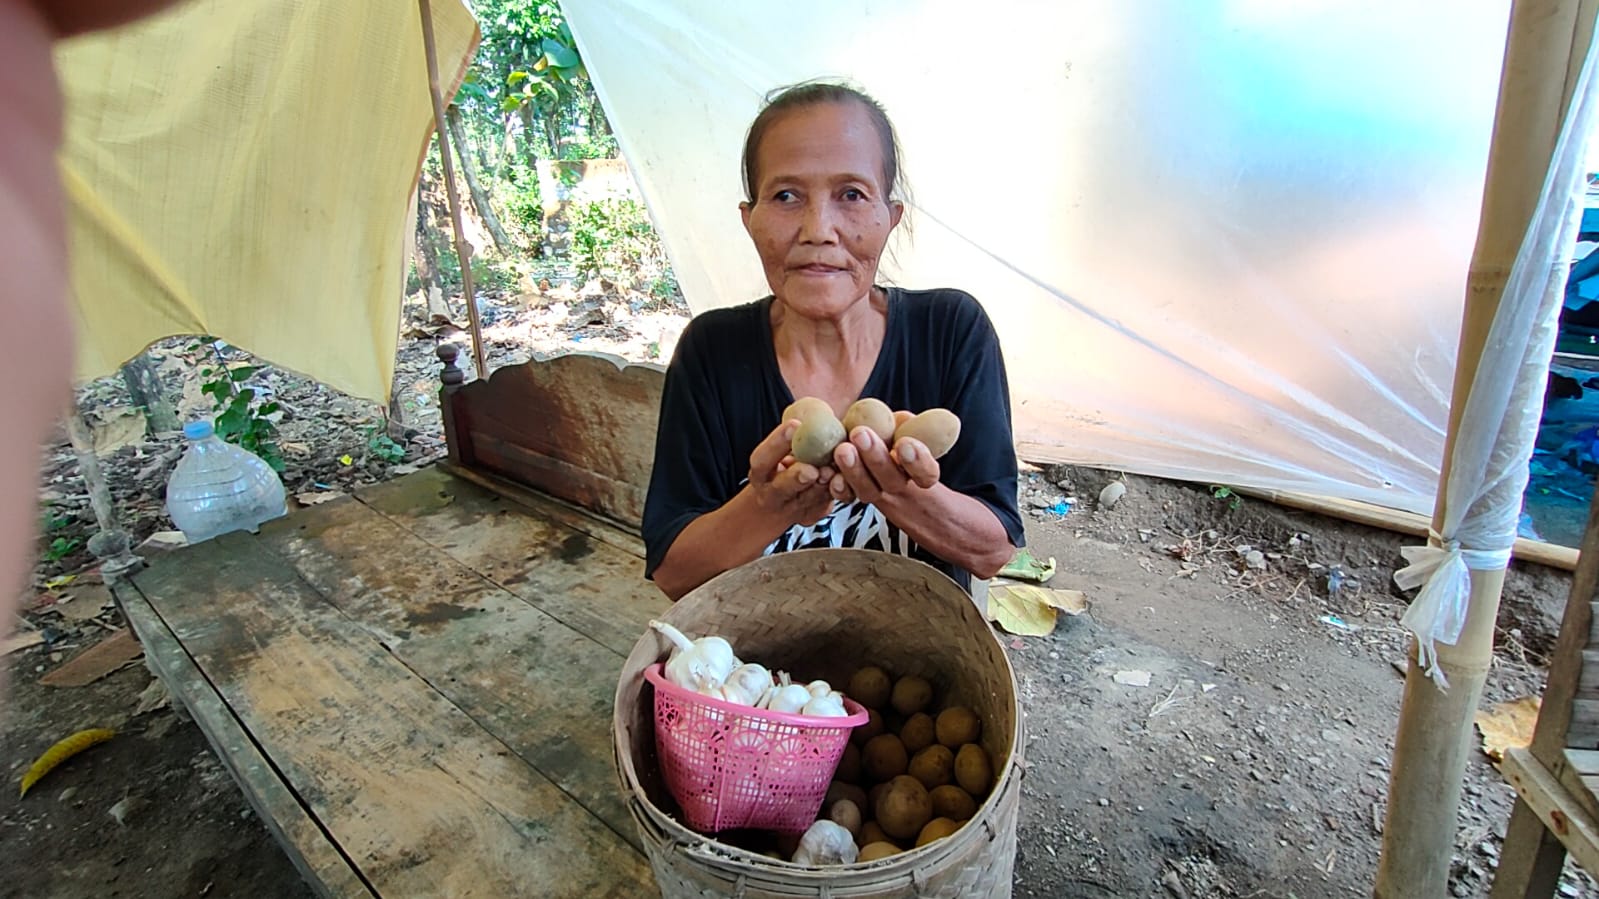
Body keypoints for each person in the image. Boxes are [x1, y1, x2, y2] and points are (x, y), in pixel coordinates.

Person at [642, 81, 1025, 601]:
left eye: (851, 194)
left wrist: (898, 493)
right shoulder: (713, 350)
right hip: (764, 667)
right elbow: (675, 573)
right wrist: (770, 506)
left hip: (923, 650)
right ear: (749, 220)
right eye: (785, 196)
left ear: (890, 218)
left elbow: (992, 549)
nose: (818, 229)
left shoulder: (951, 330)